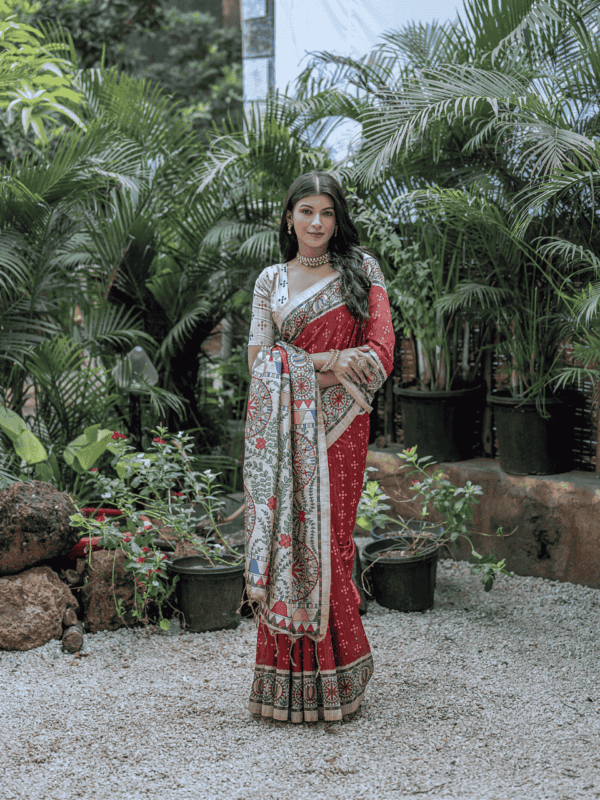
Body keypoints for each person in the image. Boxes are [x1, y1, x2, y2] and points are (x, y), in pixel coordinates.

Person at [244, 170, 395, 723]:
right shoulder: (270, 282)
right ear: (289, 218)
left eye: (326, 213)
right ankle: (287, 687)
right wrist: (330, 363)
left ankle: (336, 681)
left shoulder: (362, 270)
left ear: (338, 220)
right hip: (286, 434)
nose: (316, 222)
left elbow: (380, 354)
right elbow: (260, 364)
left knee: (330, 545)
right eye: (305, 211)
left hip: (343, 426)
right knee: (290, 545)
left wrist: (316, 370)